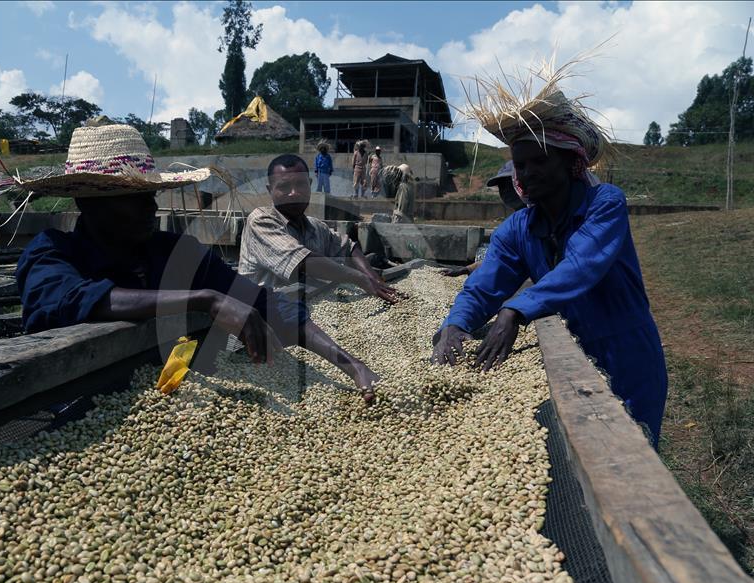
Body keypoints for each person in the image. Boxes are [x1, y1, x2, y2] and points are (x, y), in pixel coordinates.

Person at [0, 117, 381, 402]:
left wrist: (350, 363)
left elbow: (268, 303)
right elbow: (78, 300)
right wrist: (204, 300)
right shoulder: (49, 254)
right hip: (58, 405)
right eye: (133, 199)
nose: (149, 210)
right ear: (88, 203)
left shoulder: (173, 252)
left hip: (171, 393)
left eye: (150, 197)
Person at [430, 78, 667, 448]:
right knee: (585, 445)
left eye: (539, 161)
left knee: (633, 446)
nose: (527, 173)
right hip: (571, 352)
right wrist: (456, 324)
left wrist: (515, 310)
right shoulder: (518, 228)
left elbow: (581, 266)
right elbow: (485, 284)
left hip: (624, 349)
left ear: (569, 162)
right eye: (520, 165)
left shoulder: (604, 204)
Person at [239, 154, 399, 305]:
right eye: (284, 186)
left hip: (302, 305)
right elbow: (302, 261)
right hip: (262, 314)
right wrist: (359, 278)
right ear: (270, 190)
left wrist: (374, 279)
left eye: (300, 184)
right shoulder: (261, 220)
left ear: (309, 184)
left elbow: (349, 247)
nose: (294, 193)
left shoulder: (315, 226)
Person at [441, 161, 527, 277]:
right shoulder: (510, 226)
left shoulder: (542, 219)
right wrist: (466, 270)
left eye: (510, 184)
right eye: (501, 186)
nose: (505, 191)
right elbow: (497, 259)